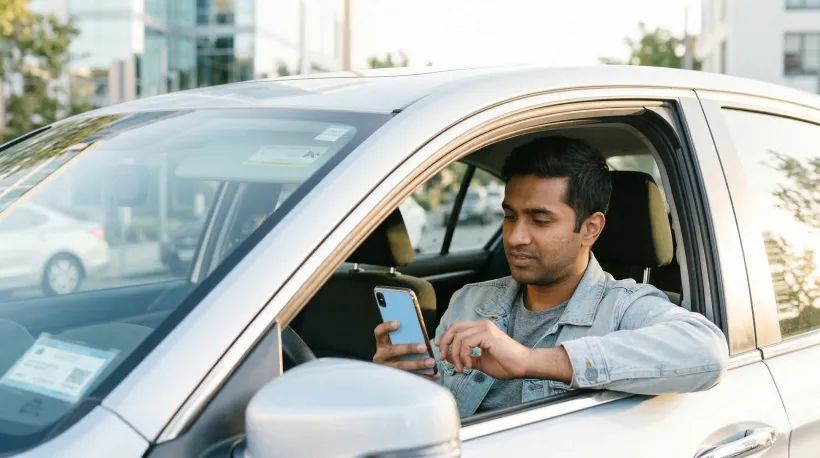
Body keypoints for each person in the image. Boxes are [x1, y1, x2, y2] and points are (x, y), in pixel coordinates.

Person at [372, 136, 729, 418]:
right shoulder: (471, 301)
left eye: (540, 220)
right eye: (510, 216)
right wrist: (407, 384)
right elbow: (440, 407)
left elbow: (708, 352)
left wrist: (531, 361)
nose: (515, 237)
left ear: (589, 228)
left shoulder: (623, 308)